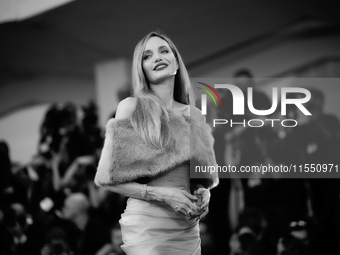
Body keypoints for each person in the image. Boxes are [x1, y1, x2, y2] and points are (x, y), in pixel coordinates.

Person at [94, 31, 219, 255]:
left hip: (187, 228)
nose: (157, 58)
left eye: (164, 51)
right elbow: (107, 180)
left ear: (176, 61)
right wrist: (163, 194)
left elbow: (202, 179)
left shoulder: (195, 114)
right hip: (147, 226)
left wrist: (204, 194)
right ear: (140, 68)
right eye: (147, 55)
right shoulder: (130, 107)